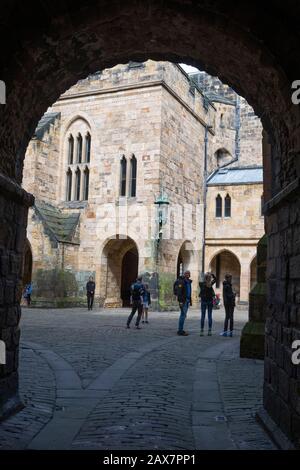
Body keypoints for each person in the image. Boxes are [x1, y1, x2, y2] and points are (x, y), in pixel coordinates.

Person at [174, 270, 192, 336]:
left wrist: (190, 301)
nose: (188, 274)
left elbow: (189, 292)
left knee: (183, 315)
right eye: (186, 273)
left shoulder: (188, 282)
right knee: (182, 315)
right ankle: (180, 330)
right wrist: (181, 302)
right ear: (184, 274)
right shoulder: (182, 281)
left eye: (189, 273)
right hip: (183, 301)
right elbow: (179, 293)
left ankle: (180, 329)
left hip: (187, 300)